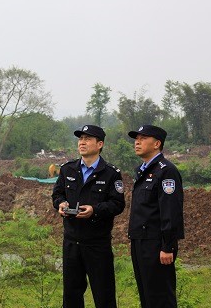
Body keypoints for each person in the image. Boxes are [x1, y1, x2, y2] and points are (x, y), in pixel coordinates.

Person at [52, 125, 125, 308]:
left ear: (99, 144)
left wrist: (95, 210)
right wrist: (60, 204)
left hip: (97, 243)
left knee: (104, 294)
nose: (82, 143)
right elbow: (57, 194)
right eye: (80, 139)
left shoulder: (111, 173)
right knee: (71, 295)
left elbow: (117, 204)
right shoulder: (67, 169)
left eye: (87, 139)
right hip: (71, 241)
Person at [127, 125, 184, 308]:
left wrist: (168, 246)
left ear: (157, 143)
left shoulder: (166, 171)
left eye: (143, 138)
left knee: (160, 297)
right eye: (136, 138)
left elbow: (171, 210)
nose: (137, 142)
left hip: (156, 244)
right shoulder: (142, 170)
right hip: (139, 241)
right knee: (147, 295)